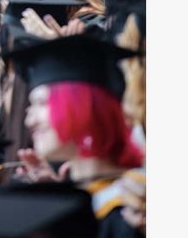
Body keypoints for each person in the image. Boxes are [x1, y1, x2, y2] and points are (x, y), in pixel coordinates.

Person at [13, 33, 145, 236]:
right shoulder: (82, 200)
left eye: (41, 103)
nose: (29, 120)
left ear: (80, 107)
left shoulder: (134, 207)